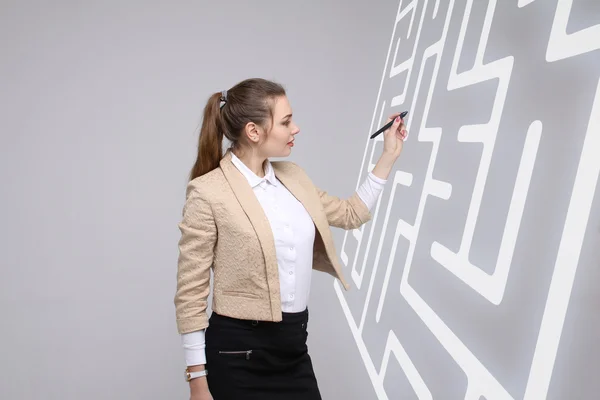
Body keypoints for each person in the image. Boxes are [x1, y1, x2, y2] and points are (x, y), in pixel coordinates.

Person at [174, 77, 407, 400]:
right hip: (237, 355)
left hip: (293, 348)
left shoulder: (293, 177)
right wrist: (198, 380)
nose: (295, 128)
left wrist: (389, 155)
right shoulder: (208, 192)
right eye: (285, 122)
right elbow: (191, 292)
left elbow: (351, 213)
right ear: (254, 132)